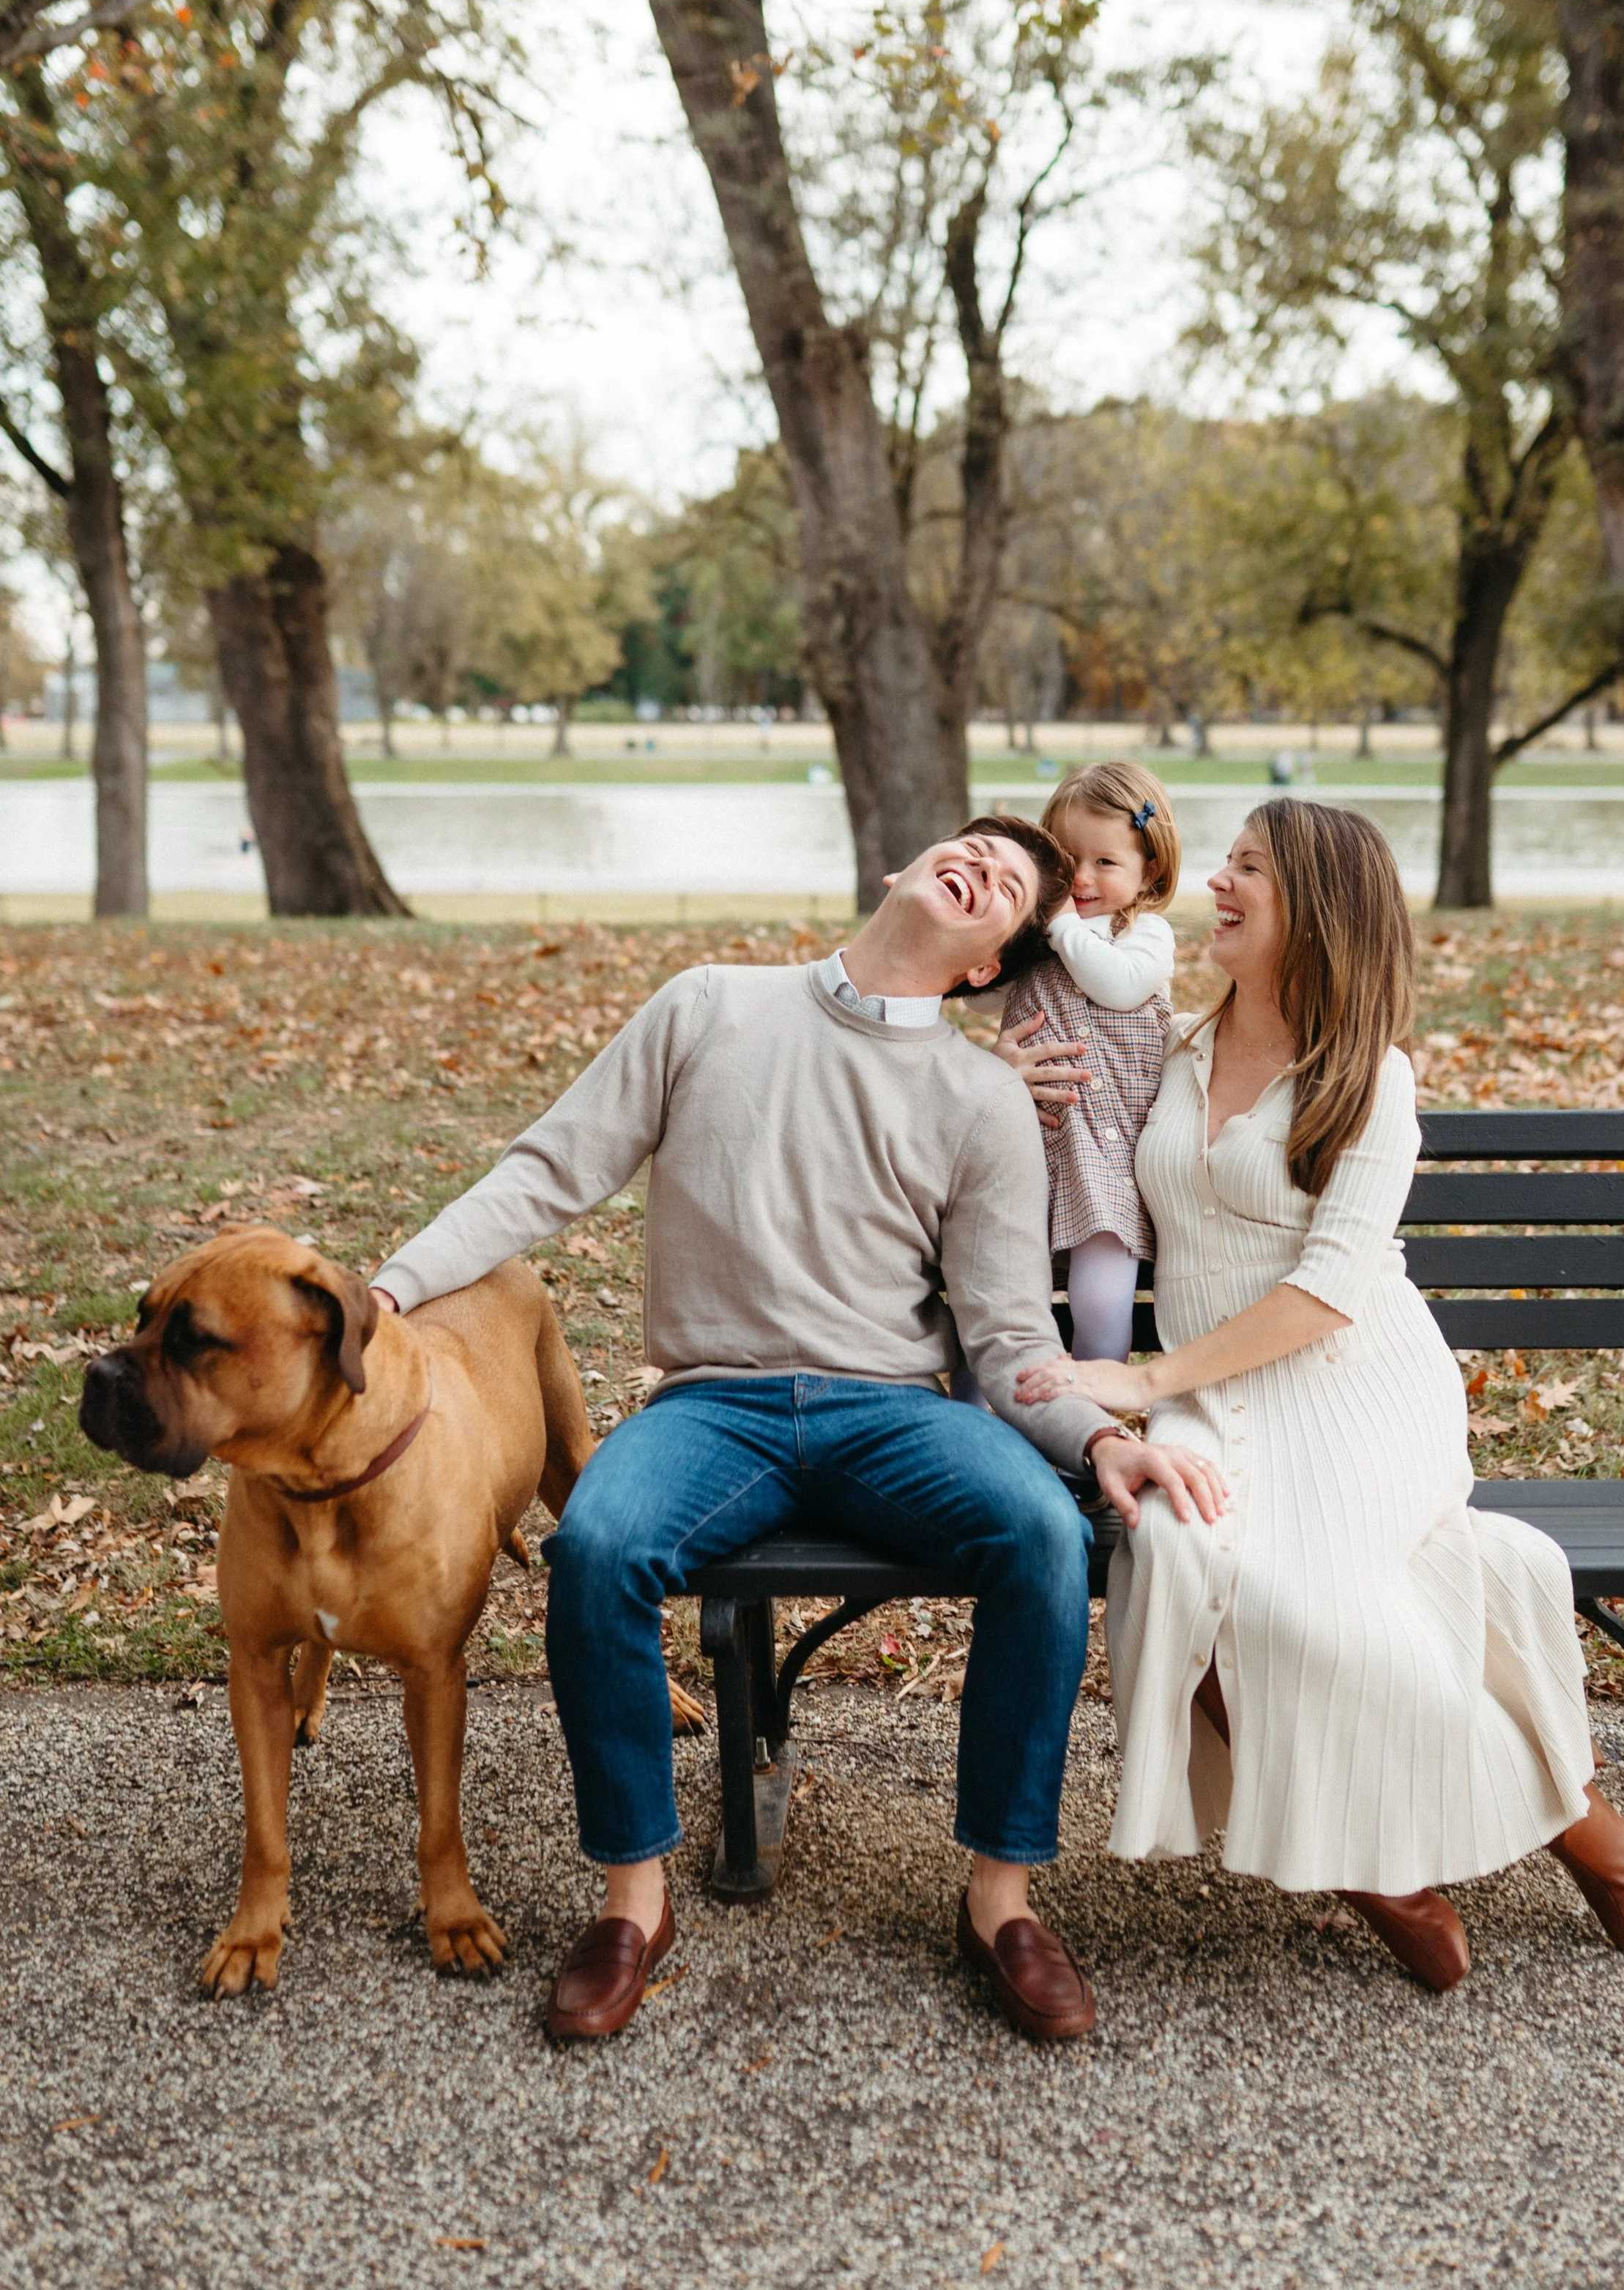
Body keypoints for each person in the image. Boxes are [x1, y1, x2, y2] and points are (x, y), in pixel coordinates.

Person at [370, 817, 1217, 2044]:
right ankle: (633, 1904)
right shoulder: (709, 1006)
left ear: (987, 964)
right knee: (598, 1545)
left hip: (891, 1414)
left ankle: (1001, 1901)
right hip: (715, 1406)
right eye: (970, 846)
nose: (980, 866)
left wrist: (1096, 1439)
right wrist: (393, 1286)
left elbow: (1006, 1339)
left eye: (1013, 888)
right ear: (902, 870)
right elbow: (545, 1172)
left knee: (1040, 1532)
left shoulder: (980, 1097)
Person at [1016, 797, 1624, 1991]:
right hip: (1223, 1397)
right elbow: (1072, 1119)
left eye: (1249, 868)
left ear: (1314, 907)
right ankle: (1392, 1859)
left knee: (1306, 1602)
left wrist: (1142, 1376)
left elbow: (1325, 1298)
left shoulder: (1370, 1081)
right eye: (1227, 861)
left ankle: (1558, 1814)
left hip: (1353, 1389)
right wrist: (1005, 1077)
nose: (1216, 881)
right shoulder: (1179, 1046)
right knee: (1177, 1557)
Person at [956, 764, 1180, 1405]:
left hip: (1108, 1157)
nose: (1080, 880)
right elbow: (979, 999)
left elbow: (1116, 985)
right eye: (1066, 859)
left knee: (1100, 1298)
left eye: (1105, 862)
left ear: (1151, 873)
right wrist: (989, 945)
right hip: (1026, 1145)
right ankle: (976, 1424)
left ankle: (1084, 1417)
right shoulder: (1036, 940)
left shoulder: (1142, 937)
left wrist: (1057, 925)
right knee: (1002, 1295)